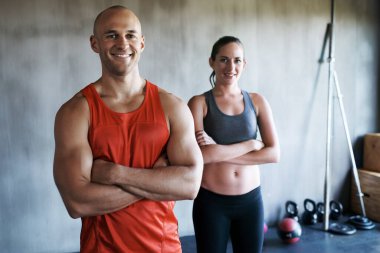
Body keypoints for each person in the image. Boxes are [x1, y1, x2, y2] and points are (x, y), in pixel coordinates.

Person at [53, 5, 203, 253]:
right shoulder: (76, 112)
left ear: (142, 43)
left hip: (164, 248)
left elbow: (189, 186)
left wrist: (115, 174)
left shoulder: (171, 106)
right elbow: (77, 202)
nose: (123, 43)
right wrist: (157, 180)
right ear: (94, 43)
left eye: (130, 35)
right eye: (111, 35)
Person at [188, 36, 280, 253]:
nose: (231, 67)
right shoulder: (199, 103)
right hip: (211, 203)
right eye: (224, 59)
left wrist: (217, 151)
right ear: (211, 61)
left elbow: (274, 153)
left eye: (237, 60)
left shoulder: (257, 101)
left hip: (251, 202)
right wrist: (250, 143)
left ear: (244, 64)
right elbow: (198, 157)